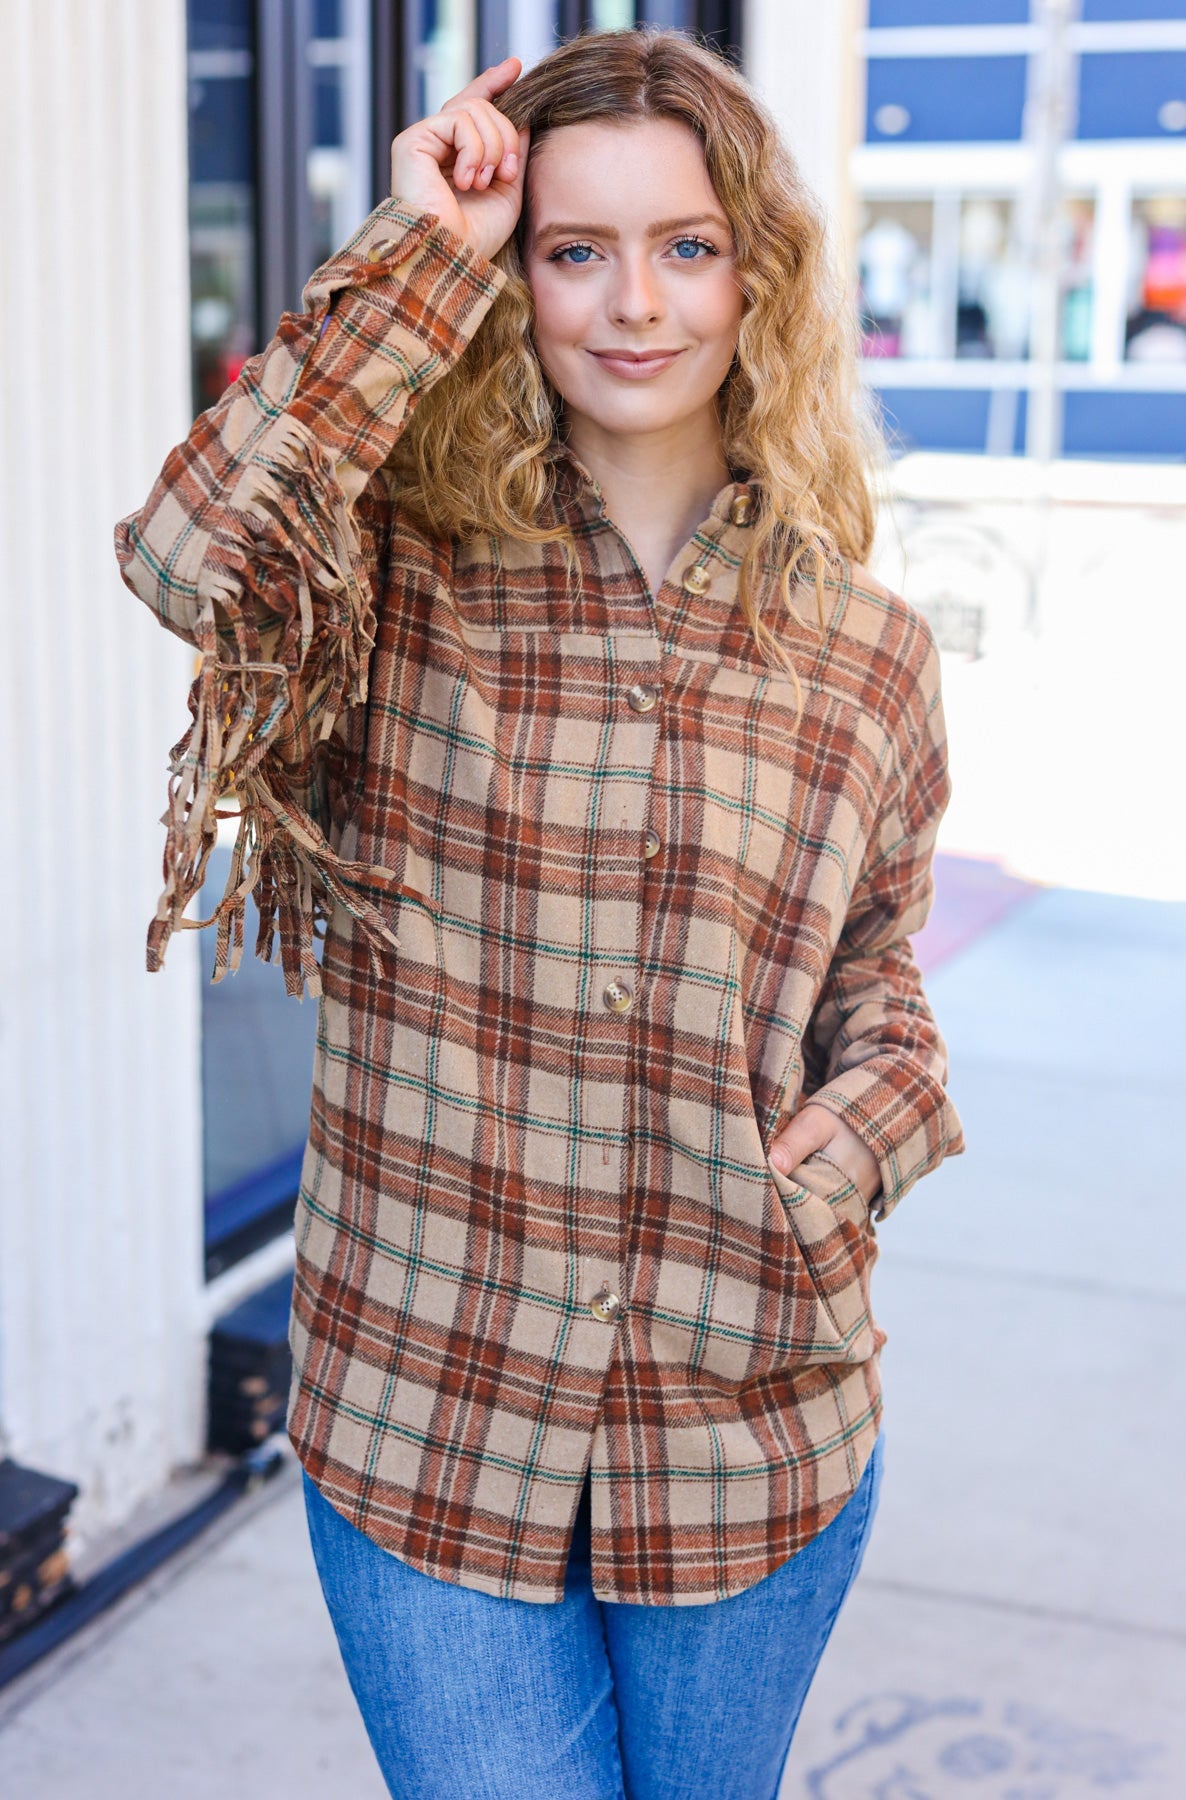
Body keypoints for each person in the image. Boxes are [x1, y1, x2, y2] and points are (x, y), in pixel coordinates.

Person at [115, 26, 965, 1800]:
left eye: (686, 245)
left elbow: (877, 970)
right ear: (517, 278)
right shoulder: (387, 577)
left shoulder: (867, 652)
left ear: (759, 273)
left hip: (749, 1423)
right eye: (574, 250)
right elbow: (188, 556)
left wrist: (831, 1164)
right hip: (430, 1414)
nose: (633, 304)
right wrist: (421, 247)